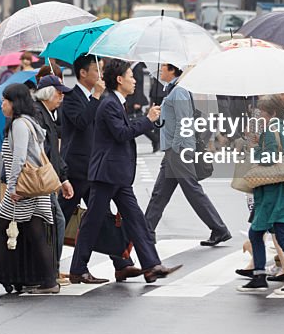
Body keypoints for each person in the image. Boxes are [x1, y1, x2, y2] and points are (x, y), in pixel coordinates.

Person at [69, 59, 182, 285]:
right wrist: (148, 120)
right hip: (107, 174)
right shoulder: (109, 103)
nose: (134, 81)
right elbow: (121, 133)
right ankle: (78, 269)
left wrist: (148, 120)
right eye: (130, 76)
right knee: (93, 221)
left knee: (136, 219)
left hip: (117, 175)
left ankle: (151, 266)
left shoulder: (116, 102)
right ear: (119, 80)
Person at [60, 54, 140, 281]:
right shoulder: (71, 97)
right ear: (83, 73)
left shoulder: (104, 97)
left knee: (101, 218)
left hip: (96, 170)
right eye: (96, 70)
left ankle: (120, 262)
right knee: (61, 219)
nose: (100, 75)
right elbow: (81, 122)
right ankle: (50, 265)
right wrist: (95, 96)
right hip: (76, 170)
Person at [143, 62, 231, 247]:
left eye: (163, 67)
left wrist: (176, 149)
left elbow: (185, 123)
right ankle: (146, 231)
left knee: (191, 190)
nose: (160, 70)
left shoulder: (179, 91)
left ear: (173, 70)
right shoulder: (174, 90)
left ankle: (219, 228)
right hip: (174, 150)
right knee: (160, 193)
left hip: (179, 150)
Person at [0, 84, 60, 294]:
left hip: (22, 188)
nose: (2, 106)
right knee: (35, 232)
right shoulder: (30, 122)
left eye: (5, 101)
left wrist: (14, 185)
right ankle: (49, 281)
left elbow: (19, 158)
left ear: (15, 103)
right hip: (34, 187)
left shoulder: (19, 124)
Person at [238, 95, 284, 294]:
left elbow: (268, 158)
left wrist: (254, 149)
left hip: (275, 192)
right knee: (265, 232)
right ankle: (262, 275)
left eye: (262, 112)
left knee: (276, 234)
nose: (260, 116)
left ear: (273, 113)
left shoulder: (271, 131)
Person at [31, 75, 75, 285]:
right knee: (55, 221)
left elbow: (55, 154)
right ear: (48, 94)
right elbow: (45, 152)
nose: (61, 97)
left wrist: (63, 178)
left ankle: (52, 268)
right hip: (44, 180)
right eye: (58, 93)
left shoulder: (47, 114)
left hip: (51, 178)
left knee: (54, 222)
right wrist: (59, 178)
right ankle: (51, 270)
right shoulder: (39, 114)